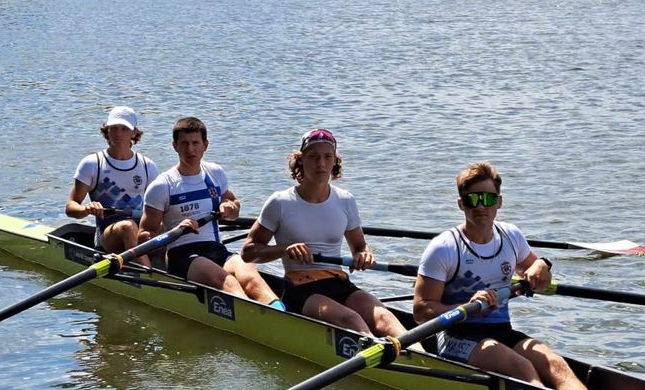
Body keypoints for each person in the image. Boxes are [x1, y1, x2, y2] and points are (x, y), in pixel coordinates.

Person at [412, 161, 595, 390]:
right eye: (472, 200)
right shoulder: (444, 248)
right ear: (461, 204)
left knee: (555, 363)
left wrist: (543, 264)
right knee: (522, 368)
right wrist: (466, 308)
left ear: (499, 202)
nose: (480, 206)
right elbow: (421, 310)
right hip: (456, 335)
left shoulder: (511, 236)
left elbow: (534, 268)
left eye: (488, 199)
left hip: (501, 330)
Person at [241, 128, 406, 338]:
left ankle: (422, 362)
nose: (321, 164)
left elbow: (359, 246)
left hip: (339, 281)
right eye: (314, 157)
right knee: (351, 319)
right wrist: (284, 249)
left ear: (335, 161)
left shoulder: (345, 200)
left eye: (327, 157)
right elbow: (248, 252)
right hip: (301, 289)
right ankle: (381, 359)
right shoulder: (280, 202)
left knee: (385, 317)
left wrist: (364, 254)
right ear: (300, 160)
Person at [139, 117, 283, 307]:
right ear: (175, 146)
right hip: (182, 255)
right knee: (227, 281)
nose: (190, 149)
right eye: (184, 143)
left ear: (205, 145)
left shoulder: (215, 174)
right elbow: (143, 236)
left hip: (216, 249)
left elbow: (233, 203)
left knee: (251, 276)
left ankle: (278, 311)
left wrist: (230, 207)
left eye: (195, 143)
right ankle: (252, 318)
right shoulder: (162, 186)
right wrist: (174, 231)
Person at [66, 106, 159, 256]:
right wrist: (86, 209)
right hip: (107, 237)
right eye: (114, 128)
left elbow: (160, 207)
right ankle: (147, 272)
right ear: (107, 130)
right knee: (127, 227)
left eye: (124, 129)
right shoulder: (92, 164)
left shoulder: (148, 166)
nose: (118, 133)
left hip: (140, 230)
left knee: (164, 226)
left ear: (134, 132)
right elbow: (71, 207)